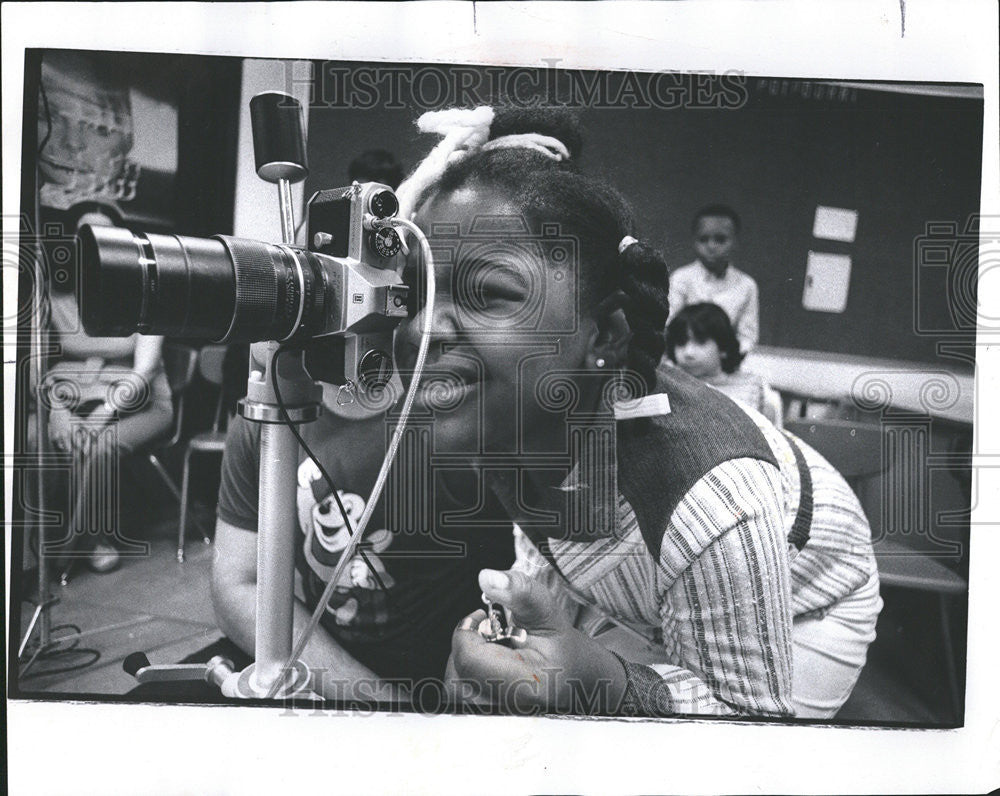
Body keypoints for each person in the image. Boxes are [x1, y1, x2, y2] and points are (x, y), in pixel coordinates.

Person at [386, 105, 881, 718]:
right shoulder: (516, 422)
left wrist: (612, 685)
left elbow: (755, 720)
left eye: (488, 293)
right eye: (420, 291)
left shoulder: (713, 501)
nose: (424, 329)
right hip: (667, 588)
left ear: (604, 336)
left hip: (809, 608)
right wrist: (520, 632)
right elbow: (552, 550)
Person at [211, 382, 515, 696]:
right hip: (324, 660)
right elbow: (237, 585)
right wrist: (380, 703)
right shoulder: (265, 417)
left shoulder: (460, 412)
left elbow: (529, 581)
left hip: (451, 673)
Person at [40, 203, 173, 573]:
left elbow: (145, 369)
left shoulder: (147, 288)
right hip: (75, 398)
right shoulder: (54, 294)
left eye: (106, 236)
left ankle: (69, 550)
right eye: (86, 235)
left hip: (144, 403)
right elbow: (41, 365)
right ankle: (79, 537)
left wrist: (105, 410)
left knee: (101, 448)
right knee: (49, 440)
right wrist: (58, 412)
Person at [662, 302, 782, 427]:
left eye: (700, 342)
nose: (688, 352)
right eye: (681, 343)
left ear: (723, 347)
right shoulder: (670, 386)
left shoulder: (750, 386)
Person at [667, 204, 759, 354]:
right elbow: (669, 326)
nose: (711, 246)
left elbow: (747, 337)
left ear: (735, 242)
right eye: (703, 239)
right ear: (694, 241)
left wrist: (726, 360)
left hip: (724, 364)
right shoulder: (681, 279)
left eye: (720, 239)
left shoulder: (746, 285)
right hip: (684, 359)